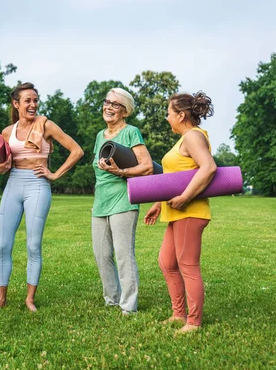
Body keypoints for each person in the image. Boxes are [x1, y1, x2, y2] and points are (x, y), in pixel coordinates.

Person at [0, 82, 84, 312]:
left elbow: (77, 150)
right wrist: (0, 168)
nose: (33, 105)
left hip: (38, 185)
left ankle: (29, 299)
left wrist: (54, 174)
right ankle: (1, 298)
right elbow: (1, 167)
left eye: (35, 100)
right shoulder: (6, 132)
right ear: (16, 104)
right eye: (27, 101)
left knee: (33, 245)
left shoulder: (47, 125)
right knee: (3, 245)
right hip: (13, 184)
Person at [143, 91, 217, 334]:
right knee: (167, 262)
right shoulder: (184, 138)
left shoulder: (193, 136)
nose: (167, 118)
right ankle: (178, 315)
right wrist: (158, 203)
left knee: (188, 265)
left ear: (181, 115)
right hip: (176, 212)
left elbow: (208, 168)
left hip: (190, 211)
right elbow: (174, 179)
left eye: (169, 113)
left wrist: (186, 197)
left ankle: (193, 322)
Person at [92, 87, 153, 315]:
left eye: (115, 104)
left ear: (125, 111)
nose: (108, 107)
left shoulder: (131, 132)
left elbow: (147, 167)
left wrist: (121, 171)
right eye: (107, 102)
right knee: (101, 254)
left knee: (123, 254)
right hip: (100, 202)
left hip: (124, 201)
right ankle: (112, 299)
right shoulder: (100, 136)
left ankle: (129, 306)